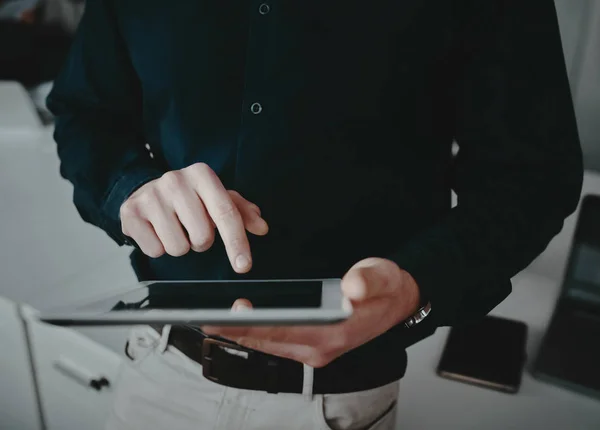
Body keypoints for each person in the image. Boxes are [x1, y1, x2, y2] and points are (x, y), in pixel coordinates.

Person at [46, 0, 583, 429]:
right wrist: (128, 189)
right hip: (155, 376)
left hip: (334, 405)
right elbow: (84, 115)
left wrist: (419, 284)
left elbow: (531, 178)